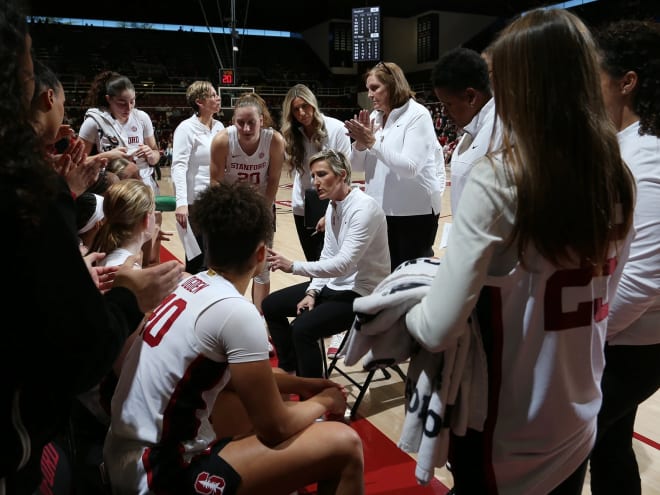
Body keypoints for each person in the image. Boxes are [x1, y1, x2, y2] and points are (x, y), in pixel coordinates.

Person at [401, 9, 635, 494]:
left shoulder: (501, 174)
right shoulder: (618, 174)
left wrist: (406, 312)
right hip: (579, 410)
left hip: (509, 425)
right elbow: (608, 293)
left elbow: (439, 327)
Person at [0, 2, 183, 492]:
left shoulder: (138, 122)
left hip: (121, 198)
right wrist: (132, 297)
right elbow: (80, 351)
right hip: (25, 425)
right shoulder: (29, 193)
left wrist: (150, 154)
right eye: (25, 69)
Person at [104, 180, 365, 495]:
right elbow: (275, 427)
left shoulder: (192, 284)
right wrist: (326, 400)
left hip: (123, 453)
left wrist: (306, 385)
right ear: (260, 254)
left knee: (254, 394)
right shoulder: (238, 312)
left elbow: (224, 380)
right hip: (160, 473)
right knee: (345, 444)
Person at [590, 19, 660, 495]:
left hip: (633, 345)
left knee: (566, 444)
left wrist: (578, 333)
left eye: (596, 73)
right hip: (620, 336)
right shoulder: (625, 146)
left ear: (626, 81)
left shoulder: (648, 156)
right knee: (610, 445)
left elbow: (643, 278)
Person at [264, 150, 390, 378]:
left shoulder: (364, 209)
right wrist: (312, 291)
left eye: (322, 174)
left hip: (364, 293)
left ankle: (314, 394)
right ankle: (290, 369)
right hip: (336, 286)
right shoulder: (333, 205)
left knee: (302, 330)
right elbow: (328, 256)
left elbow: (342, 264)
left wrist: (292, 266)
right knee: (271, 305)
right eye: (313, 176)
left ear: (342, 175)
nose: (315, 182)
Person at [344, 61, 446, 272]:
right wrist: (361, 145)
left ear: (393, 85)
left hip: (415, 213)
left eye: (375, 88)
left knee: (409, 278)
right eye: (368, 89)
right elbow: (356, 166)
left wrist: (372, 142)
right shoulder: (374, 117)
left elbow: (410, 167)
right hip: (381, 210)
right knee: (384, 275)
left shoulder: (417, 114)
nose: (370, 94)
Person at [210, 92, 285, 315]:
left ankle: (259, 321)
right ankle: (226, 316)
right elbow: (215, 181)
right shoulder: (223, 140)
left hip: (260, 208)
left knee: (261, 268)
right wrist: (227, 213)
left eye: (251, 122)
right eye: (240, 123)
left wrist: (264, 211)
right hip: (232, 209)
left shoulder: (274, 140)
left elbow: (273, 179)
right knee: (229, 265)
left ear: (261, 120)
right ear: (233, 122)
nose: (246, 128)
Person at [281, 83, 351, 262]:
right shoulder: (292, 135)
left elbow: (346, 175)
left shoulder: (336, 129)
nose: (301, 113)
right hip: (303, 204)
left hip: (332, 203)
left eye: (304, 106)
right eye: (296, 110)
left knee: (333, 263)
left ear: (313, 103)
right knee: (313, 263)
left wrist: (332, 212)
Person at [431, 47, 497, 213]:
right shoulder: (471, 130)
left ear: (470, 97)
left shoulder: (500, 131)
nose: (444, 112)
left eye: (448, 104)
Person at [78, 70, 162, 195]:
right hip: (113, 186)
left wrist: (152, 155)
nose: (128, 108)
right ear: (108, 99)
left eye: (132, 101)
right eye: (122, 103)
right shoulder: (93, 122)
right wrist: (108, 155)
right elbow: (78, 163)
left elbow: (156, 154)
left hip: (145, 183)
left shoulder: (142, 117)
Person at [171, 80, 224, 274]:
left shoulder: (219, 126)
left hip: (215, 200)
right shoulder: (186, 128)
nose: (217, 98)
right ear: (199, 102)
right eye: (212, 95)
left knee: (215, 258)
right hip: (195, 202)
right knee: (197, 258)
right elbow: (178, 166)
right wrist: (181, 202)